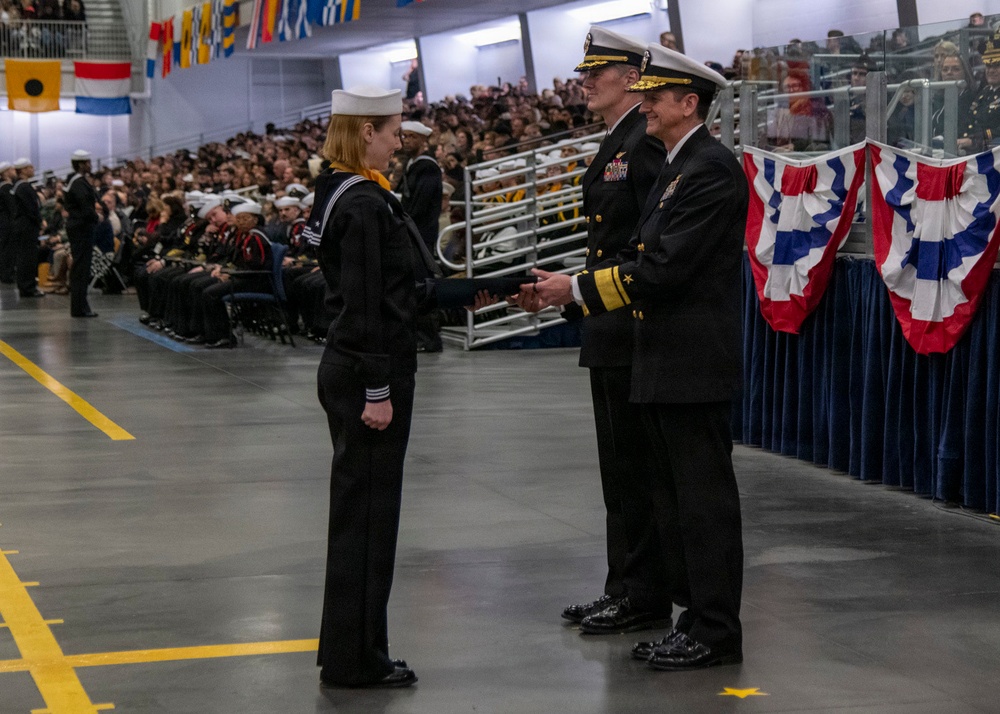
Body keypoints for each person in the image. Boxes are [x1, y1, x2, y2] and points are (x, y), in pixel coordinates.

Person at [529, 42, 748, 672]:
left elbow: (663, 267)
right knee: (671, 498)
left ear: (690, 103)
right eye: (644, 94)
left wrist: (576, 290)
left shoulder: (709, 168)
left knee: (702, 502)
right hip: (663, 355)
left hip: (690, 360)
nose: (644, 105)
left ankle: (714, 629)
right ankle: (692, 620)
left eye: (656, 97)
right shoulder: (682, 166)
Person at [547, 25, 671, 636]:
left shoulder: (642, 144)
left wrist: (580, 289)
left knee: (634, 470)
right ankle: (622, 585)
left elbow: (646, 244)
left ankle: (642, 594)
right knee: (617, 470)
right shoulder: (618, 139)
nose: (587, 82)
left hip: (630, 323)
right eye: (586, 73)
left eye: (598, 73)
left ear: (632, 78)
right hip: (608, 320)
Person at [312, 85, 427, 689]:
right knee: (368, 521)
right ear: (365, 133)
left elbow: (391, 289)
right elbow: (364, 305)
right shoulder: (362, 203)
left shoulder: (340, 188)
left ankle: (352, 651)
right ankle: (357, 660)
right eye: (393, 132)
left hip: (353, 365)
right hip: (367, 372)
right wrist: (378, 390)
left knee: (360, 516)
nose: (398, 142)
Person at [397, 119, 444, 352]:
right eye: (404, 136)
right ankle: (417, 336)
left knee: (422, 285)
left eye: (412, 137)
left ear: (423, 140)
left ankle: (430, 338)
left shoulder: (428, 166)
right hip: (411, 232)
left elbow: (420, 204)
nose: (406, 140)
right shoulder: (411, 164)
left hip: (421, 233)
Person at [62, 149, 100, 317]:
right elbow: (86, 207)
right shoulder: (78, 183)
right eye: (88, 162)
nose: (90, 165)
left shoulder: (75, 181)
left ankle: (80, 306)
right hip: (82, 228)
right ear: (81, 164)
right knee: (81, 269)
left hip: (78, 227)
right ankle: (79, 308)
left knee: (80, 268)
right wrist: (96, 217)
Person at [11, 158, 44, 298]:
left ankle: (25, 286)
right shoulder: (24, 187)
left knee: (24, 257)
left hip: (22, 226)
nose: (33, 169)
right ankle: (28, 287)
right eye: (30, 167)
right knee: (28, 257)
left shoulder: (18, 186)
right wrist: (39, 221)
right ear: (23, 170)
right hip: (27, 227)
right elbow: (31, 208)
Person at [0, 161, 15, 284]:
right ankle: (7, 274)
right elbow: (12, 207)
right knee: (7, 249)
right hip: (6, 223)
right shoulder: (6, 188)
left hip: (4, 222)